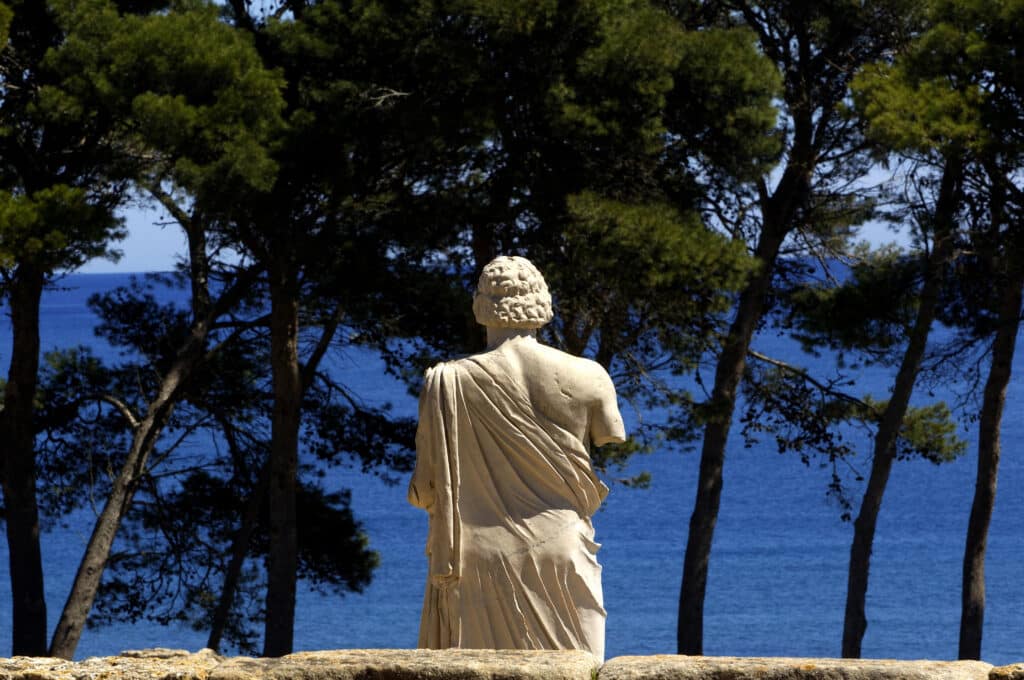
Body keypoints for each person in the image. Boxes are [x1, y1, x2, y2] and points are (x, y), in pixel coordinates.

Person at [408, 255, 625, 660]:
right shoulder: (590, 376)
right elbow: (611, 433)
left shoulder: (445, 383)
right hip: (562, 550)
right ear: (542, 304)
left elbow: (423, 492)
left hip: (474, 559)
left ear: (479, 307)